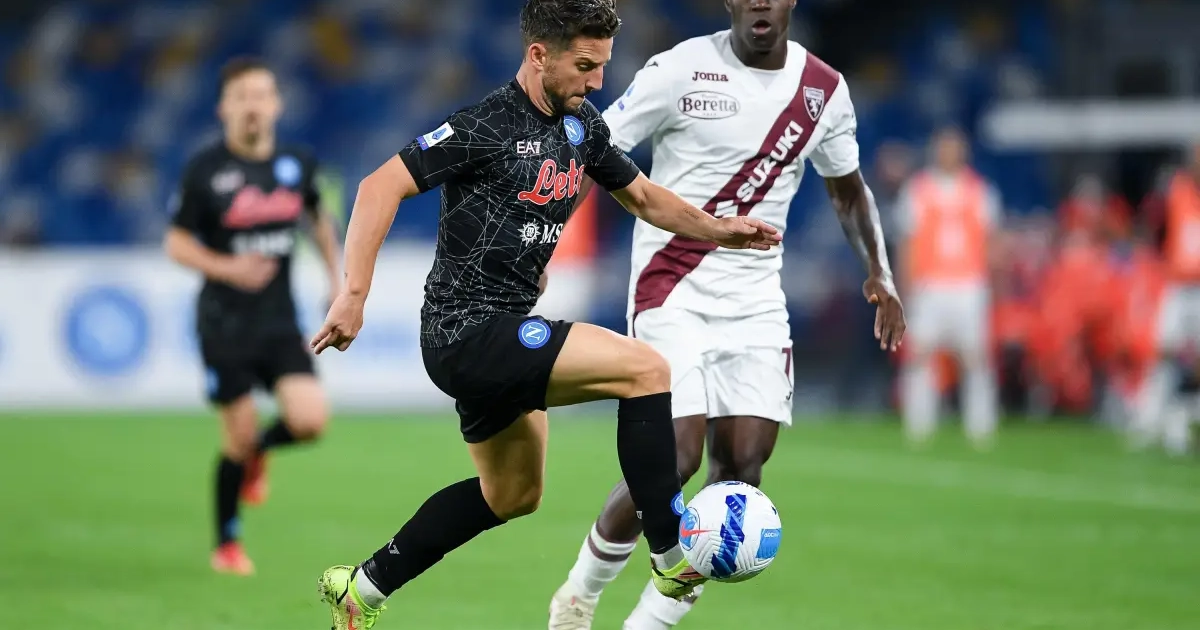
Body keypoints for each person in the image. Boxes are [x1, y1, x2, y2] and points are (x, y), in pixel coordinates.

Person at [310, 1, 789, 628]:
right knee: (645, 370)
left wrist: (719, 230)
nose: (598, 81)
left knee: (513, 494)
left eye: (603, 65)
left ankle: (362, 589)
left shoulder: (581, 126)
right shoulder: (486, 124)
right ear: (539, 55)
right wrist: (354, 294)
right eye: (585, 66)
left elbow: (644, 197)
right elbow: (379, 186)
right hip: (466, 329)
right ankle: (672, 556)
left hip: (503, 332)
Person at [547, 0, 905, 627]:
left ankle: (647, 623)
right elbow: (593, 152)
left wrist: (881, 271)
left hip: (756, 302)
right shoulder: (678, 69)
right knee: (675, 459)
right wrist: (542, 243)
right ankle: (579, 595)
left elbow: (848, 190)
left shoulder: (823, 90)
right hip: (671, 288)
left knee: (741, 477)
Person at [163, 57, 342, 575]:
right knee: (236, 438)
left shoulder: (296, 164)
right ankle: (227, 543)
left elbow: (319, 219)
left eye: (262, 95)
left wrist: (337, 280)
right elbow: (176, 243)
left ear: (276, 105)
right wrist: (228, 268)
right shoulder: (205, 170)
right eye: (241, 97)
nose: (252, 106)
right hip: (224, 324)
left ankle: (262, 451)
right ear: (224, 108)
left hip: (280, 321)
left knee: (310, 421)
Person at [896, 126, 1000, 447]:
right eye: (944, 147)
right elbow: (907, 243)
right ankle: (919, 424)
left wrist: (992, 285)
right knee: (920, 354)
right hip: (929, 284)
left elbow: (991, 243)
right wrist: (904, 286)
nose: (948, 154)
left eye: (954, 148)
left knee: (975, 356)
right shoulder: (917, 191)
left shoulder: (980, 191)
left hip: (969, 284)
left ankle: (980, 426)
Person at [1132, 140, 1200, 450]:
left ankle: (1182, 420)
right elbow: (1153, 224)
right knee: (1164, 351)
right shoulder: (1175, 189)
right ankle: (1149, 418)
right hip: (1178, 284)